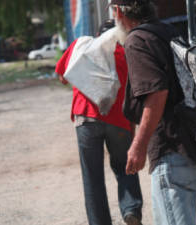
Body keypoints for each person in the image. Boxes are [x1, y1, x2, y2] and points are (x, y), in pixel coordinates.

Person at [110, 1, 196, 225]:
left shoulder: (136, 40)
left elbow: (157, 93)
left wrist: (138, 144)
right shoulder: (167, 31)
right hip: (188, 145)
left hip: (170, 149)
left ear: (118, 11)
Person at [54, 19, 143, 225]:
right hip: (119, 121)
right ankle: (131, 211)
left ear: (98, 34)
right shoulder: (127, 54)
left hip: (86, 118)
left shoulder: (82, 47)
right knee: (124, 167)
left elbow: (62, 77)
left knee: (92, 176)